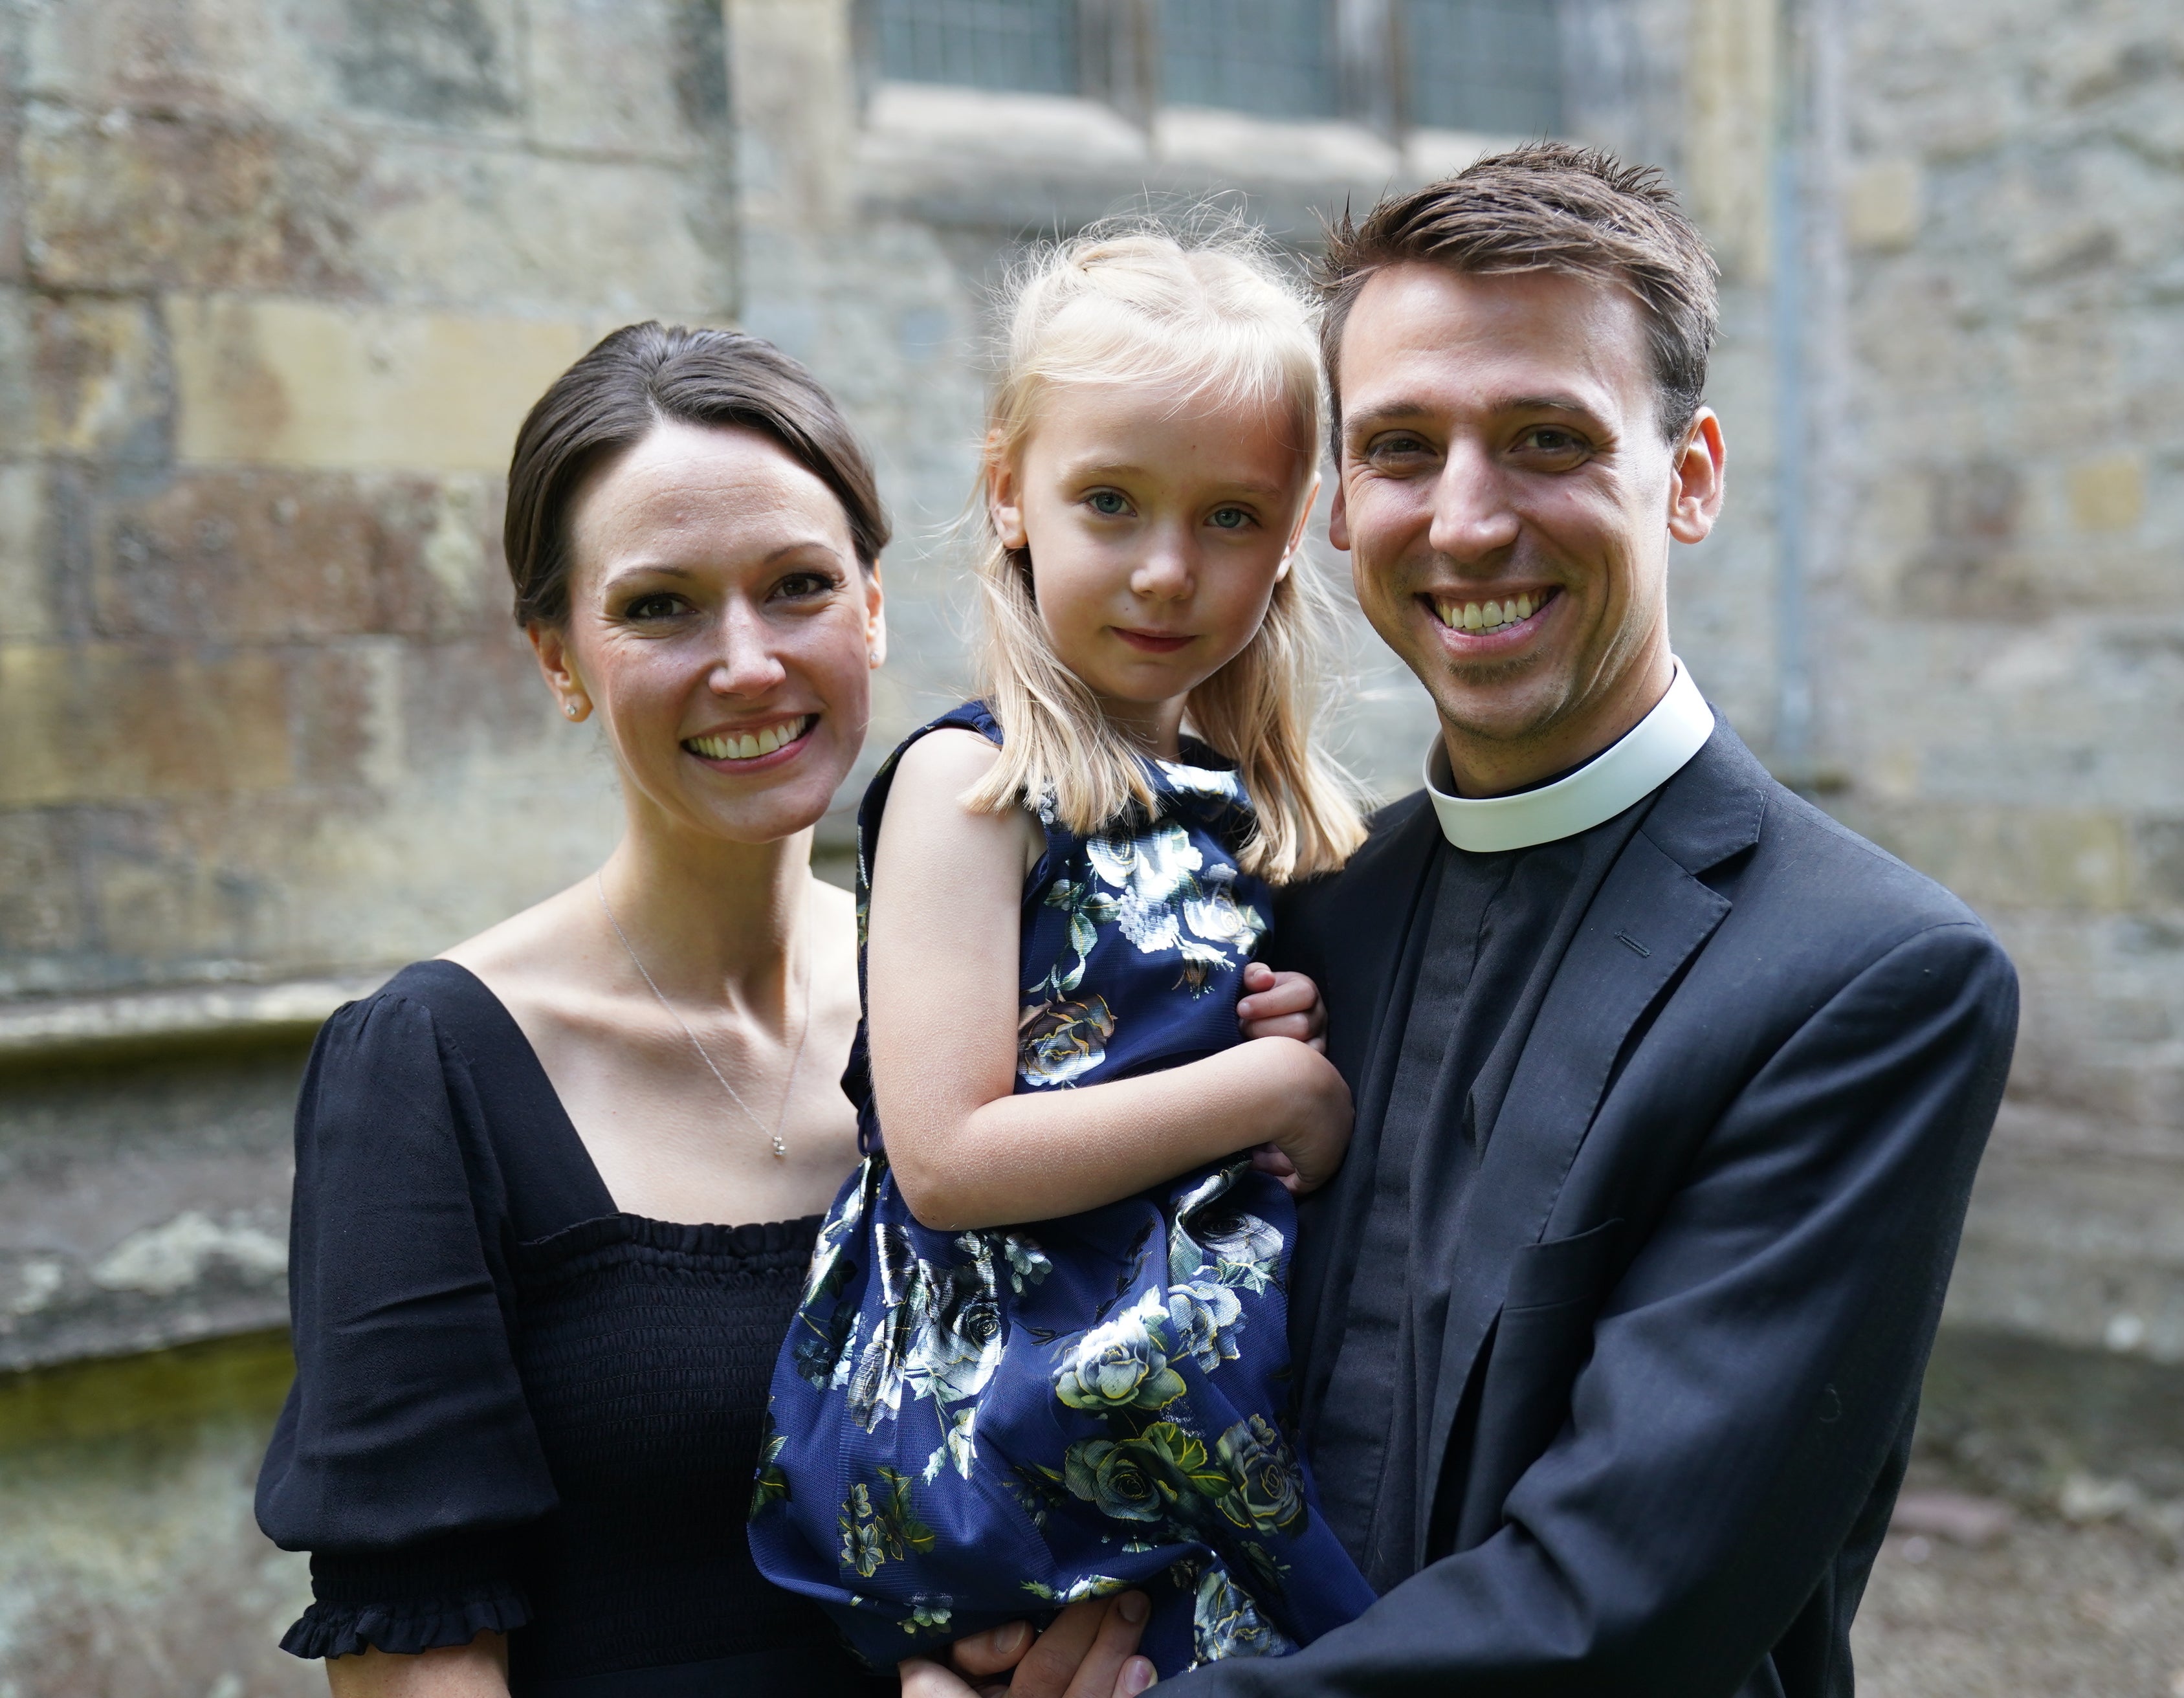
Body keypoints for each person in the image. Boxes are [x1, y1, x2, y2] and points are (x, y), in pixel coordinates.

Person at [942, 145, 2021, 1696]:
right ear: (1333, 507)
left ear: (1692, 475)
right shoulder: (1296, 914)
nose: (1463, 521)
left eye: (1545, 440)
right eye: (1400, 447)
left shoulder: (1866, 979)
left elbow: (1629, 1600)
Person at [750, 225, 1377, 1691]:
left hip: (1184, 1416)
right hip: (1009, 1428)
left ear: (1293, 536)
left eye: (1231, 517)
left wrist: (1295, 1093)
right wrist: (1268, 1092)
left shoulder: (1235, 817)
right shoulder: (974, 791)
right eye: (1112, 501)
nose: (1168, 570)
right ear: (1009, 493)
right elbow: (952, 1154)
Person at [257, 324, 904, 1696]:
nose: (747, 664)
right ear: (560, 661)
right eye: (661, 606)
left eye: (797, 586)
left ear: (873, 609)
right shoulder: (430, 1070)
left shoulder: (994, 999)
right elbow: (417, 1664)